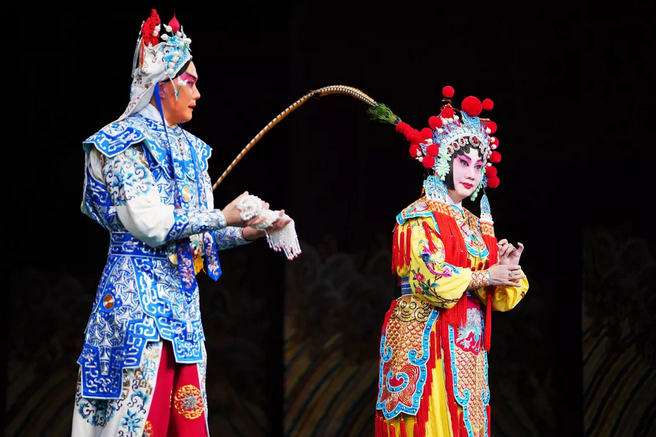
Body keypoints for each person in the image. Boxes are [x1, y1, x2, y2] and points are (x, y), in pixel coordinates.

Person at [71, 9, 290, 437]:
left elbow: (197, 234)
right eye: (190, 82)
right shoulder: (122, 144)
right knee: (136, 424)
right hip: (135, 307)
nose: (198, 93)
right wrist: (222, 214)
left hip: (183, 314)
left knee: (186, 423)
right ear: (163, 85)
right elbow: (151, 225)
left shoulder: (192, 150)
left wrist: (250, 230)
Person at [373, 86, 529, 437]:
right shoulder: (418, 216)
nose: (472, 172)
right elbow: (432, 279)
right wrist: (486, 275)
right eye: (463, 162)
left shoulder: (476, 225)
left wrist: (508, 269)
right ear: (444, 161)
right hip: (426, 340)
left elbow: (499, 299)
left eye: (478, 165)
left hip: (466, 345)